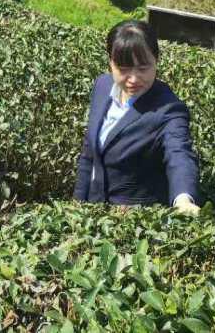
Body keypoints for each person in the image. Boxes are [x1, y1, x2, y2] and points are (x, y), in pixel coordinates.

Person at [73, 19, 202, 215]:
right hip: (94, 209)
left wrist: (183, 199)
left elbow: (179, 154)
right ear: (110, 61)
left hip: (133, 222)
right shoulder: (103, 86)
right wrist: (77, 206)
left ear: (156, 61)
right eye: (123, 69)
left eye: (143, 68)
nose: (133, 79)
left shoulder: (169, 109)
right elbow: (89, 154)